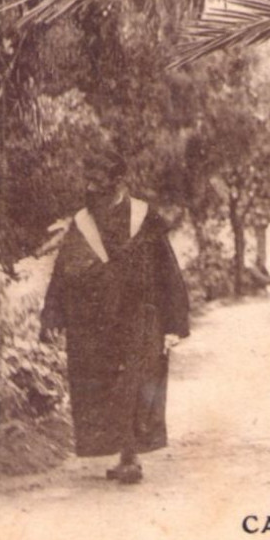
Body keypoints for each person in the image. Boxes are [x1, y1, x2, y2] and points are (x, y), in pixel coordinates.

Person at [39, 147, 190, 485]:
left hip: (140, 315)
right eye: (89, 180)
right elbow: (63, 271)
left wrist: (175, 323)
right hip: (95, 319)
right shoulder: (83, 222)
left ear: (119, 181)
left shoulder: (144, 217)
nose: (92, 188)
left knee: (136, 381)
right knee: (105, 383)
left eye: (99, 180)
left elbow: (167, 270)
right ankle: (123, 452)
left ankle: (131, 456)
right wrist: (52, 314)